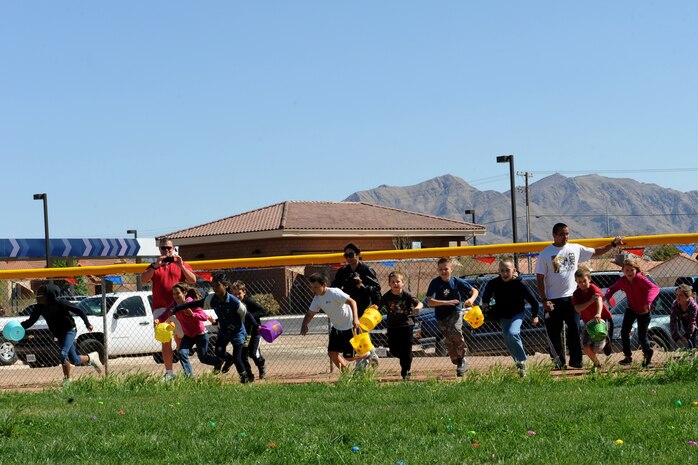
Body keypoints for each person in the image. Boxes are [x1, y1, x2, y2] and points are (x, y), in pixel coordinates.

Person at [535, 223, 623, 369]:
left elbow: (596, 252)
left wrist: (612, 244)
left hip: (571, 298)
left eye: (567, 233)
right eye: (562, 234)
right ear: (554, 235)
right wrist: (544, 300)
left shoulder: (575, 248)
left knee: (574, 330)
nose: (566, 237)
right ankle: (559, 363)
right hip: (553, 300)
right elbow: (539, 279)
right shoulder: (545, 254)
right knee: (554, 334)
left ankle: (576, 362)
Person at [172, 274, 253, 383]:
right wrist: (177, 308)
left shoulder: (234, 302)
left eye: (217, 285)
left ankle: (245, 379)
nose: (214, 288)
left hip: (236, 332)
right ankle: (227, 360)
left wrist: (255, 325)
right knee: (218, 351)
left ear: (225, 286)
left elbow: (245, 314)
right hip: (223, 331)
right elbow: (198, 302)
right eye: (213, 285)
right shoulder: (212, 298)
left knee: (238, 358)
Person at [21, 284, 102, 385]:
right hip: (59, 334)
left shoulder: (61, 303)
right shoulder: (40, 307)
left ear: (48, 296)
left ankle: (67, 380)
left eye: (40, 296)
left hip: (70, 330)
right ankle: (92, 357)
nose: (37, 298)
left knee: (63, 353)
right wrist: (19, 327)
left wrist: (87, 323)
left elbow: (79, 311)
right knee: (74, 359)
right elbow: (30, 321)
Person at [141, 237, 197, 380]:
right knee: (165, 342)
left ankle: (187, 372)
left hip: (178, 308)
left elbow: (193, 280)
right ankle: (169, 373)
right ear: (159, 250)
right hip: (160, 309)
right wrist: (155, 266)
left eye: (169, 248)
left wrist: (181, 266)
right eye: (163, 248)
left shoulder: (180, 263)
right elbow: (143, 279)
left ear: (174, 249)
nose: (167, 250)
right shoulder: (155, 265)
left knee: (180, 341)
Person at [481, 256, 540, 377]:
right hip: (503, 315)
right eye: (502, 270)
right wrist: (485, 307)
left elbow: (533, 301)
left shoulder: (520, 284)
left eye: (507, 270)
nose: (504, 273)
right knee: (508, 340)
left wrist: (535, 315)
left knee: (513, 333)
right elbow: (485, 296)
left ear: (513, 270)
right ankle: (520, 366)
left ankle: (522, 361)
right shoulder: (494, 283)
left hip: (517, 314)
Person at [331, 242, 381, 368]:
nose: (348, 258)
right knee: (355, 335)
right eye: (346, 255)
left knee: (360, 334)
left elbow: (376, 289)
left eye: (351, 254)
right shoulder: (343, 271)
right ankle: (371, 354)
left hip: (364, 307)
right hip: (349, 309)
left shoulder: (366, 269)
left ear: (358, 255)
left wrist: (362, 286)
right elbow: (334, 287)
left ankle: (362, 366)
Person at [426, 257, 478, 377]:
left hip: (455, 311)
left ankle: (462, 360)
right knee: (449, 340)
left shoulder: (456, 281)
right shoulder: (435, 283)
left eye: (446, 269)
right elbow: (430, 302)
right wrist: (446, 302)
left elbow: (474, 291)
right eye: (441, 269)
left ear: (451, 269)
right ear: (438, 270)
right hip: (441, 315)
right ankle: (458, 361)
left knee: (455, 331)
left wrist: (471, 299)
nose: (443, 271)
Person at [604, 257, 660, 367]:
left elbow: (654, 288)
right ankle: (628, 357)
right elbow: (612, 289)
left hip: (644, 310)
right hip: (631, 308)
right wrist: (607, 296)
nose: (629, 272)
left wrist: (648, 301)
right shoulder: (623, 281)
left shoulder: (640, 279)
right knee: (624, 332)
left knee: (641, 335)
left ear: (636, 270)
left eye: (631, 270)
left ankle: (647, 353)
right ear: (623, 271)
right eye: (627, 270)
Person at [301, 273, 361, 371]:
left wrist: (355, 319)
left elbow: (352, 302)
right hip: (337, 327)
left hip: (349, 326)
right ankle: (347, 375)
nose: (313, 290)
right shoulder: (317, 299)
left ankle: (369, 354)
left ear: (324, 284)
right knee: (332, 354)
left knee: (349, 358)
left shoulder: (334, 292)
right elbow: (310, 314)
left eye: (316, 287)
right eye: (311, 287)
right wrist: (304, 325)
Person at [169, 283, 222, 377]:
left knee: (203, 358)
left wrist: (192, 314)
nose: (176, 296)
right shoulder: (174, 305)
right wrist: (159, 320)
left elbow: (204, 317)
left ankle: (218, 362)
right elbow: (167, 313)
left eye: (178, 293)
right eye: (174, 294)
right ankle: (189, 377)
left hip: (200, 334)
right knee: (181, 353)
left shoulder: (191, 303)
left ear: (184, 293)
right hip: (188, 335)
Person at [378, 271, 423, 380]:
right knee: (393, 350)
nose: (396, 284)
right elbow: (378, 307)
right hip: (393, 326)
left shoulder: (407, 294)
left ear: (402, 283)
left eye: (398, 281)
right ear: (389, 284)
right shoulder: (387, 296)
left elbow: (420, 303)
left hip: (406, 325)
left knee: (407, 349)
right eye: (393, 282)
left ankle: (405, 370)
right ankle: (404, 359)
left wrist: (417, 308)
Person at [572, 267, 614, 371]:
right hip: (589, 323)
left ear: (589, 279)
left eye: (584, 281)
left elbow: (599, 300)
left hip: (602, 319)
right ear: (576, 282)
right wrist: (590, 301)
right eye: (579, 282)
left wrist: (598, 313)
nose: (582, 284)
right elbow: (578, 308)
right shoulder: (576, 293)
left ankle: (606, 341)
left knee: (597, 346)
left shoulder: (593, 288)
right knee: (586, 346)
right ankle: (597, 364)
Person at [231, 280, 268, 381]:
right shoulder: (233, 303)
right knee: (242, 355)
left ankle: (261, 366)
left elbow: (263, 311)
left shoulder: (248, 302)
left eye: (239, 293)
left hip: (255, 333)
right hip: (243, 334)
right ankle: (249, 375)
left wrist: (249, 316)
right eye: (234, 294)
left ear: (244, 292)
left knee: (253, 353)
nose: (237, 296)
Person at [669, 284, 697, 349]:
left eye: (681, 295)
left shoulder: (693, 305)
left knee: (692, 335)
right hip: (686, 320)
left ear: (687, 296)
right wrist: (676, 337)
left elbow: (692, 322)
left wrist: (686, 336)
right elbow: (673, 321)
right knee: (690, 339)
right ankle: (691, 355)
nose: (678, 297)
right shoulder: (675, 304)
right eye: (676, 295)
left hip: (695, 318)